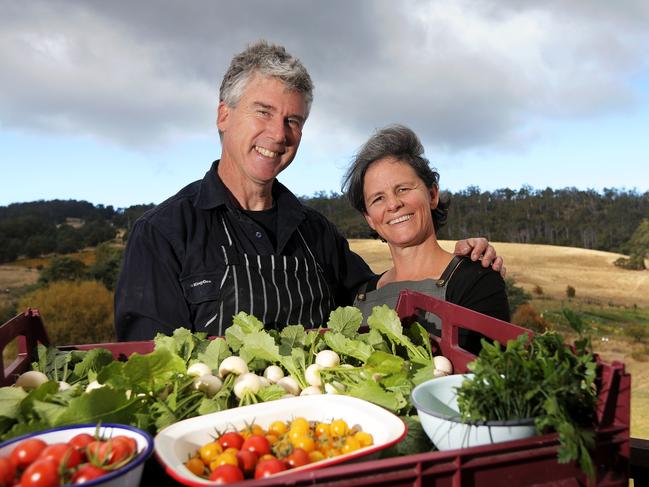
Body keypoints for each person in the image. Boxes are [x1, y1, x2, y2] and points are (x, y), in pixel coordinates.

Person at [114, 41, 503, 341]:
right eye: (263, 111)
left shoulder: (317, 234)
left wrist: (468, 262)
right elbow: (153, 367)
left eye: (293, 120)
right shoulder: (163, 233)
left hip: (321, 438)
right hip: (223, 441)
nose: (279, 134)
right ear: (224, 115)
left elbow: (386, 293)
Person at [342, 125, 509, 351]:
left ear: (432, 195)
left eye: (403, 189)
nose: (393, 204)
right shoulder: (360, 295)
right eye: (378, 198)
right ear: (370, 218)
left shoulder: (476, 280)